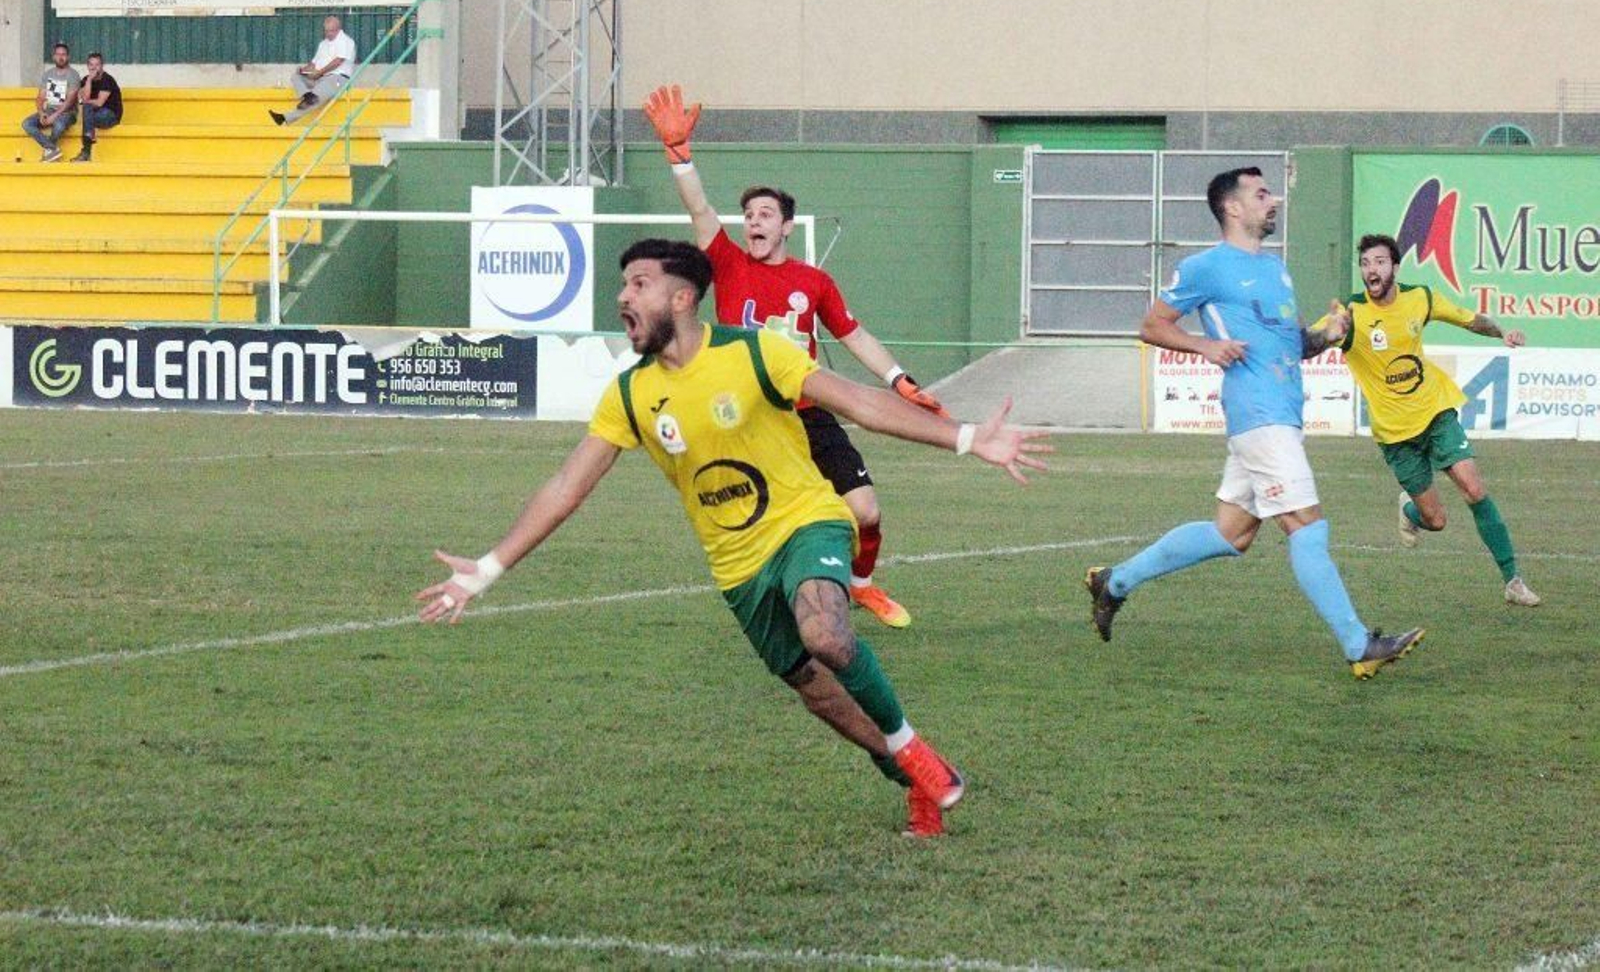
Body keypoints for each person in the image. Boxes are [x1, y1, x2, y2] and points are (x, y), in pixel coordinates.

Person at [416, 238, 1051, 837]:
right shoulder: (631, 393)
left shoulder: (755, 353)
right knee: (817, 695)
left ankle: (911, 749)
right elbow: (566, 486)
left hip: (805, 521)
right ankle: (907, 771)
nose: (624, 298)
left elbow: (858, 402)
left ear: (683, 298)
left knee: (826, 631)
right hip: (736, 567)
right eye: (623, 286)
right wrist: (488, 568)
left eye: (640, 284)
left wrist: (967, 437)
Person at [1083, 167, 1425, 681]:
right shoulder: (1206, 267)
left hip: (1279, 411)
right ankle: (1360, 646)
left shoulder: (1276, 270)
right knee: (1305, 523)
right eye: (1261, 193)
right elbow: (1151, 325)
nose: (1274, 200)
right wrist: (1205, 345)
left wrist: (1327, 334)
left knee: (1232, 533)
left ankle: (1115, 582)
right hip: (1258, 413)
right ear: (1233, 208)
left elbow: (1291, 345)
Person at [642, 83, 946, 630]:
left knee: (866, 511)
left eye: (764, 214)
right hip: (754, 418)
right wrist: (680, 157)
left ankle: (862, 586)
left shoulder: (814, 281)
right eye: (749, 215)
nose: (753, 222)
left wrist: (900, 380)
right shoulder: (729, 264)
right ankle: (784, 604)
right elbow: (699, 207)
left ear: (786, 225)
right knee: (772, 525)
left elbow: (854, 336)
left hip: (809, 411)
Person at [1336, 233, 1540, 606]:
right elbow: (1316, 338)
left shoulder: (1420, 298)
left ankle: (1513, 580)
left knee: (1474, 489)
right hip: (1396, 436)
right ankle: (1410, 510)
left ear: (1395, 267)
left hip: (1435, 412)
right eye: (1365, 263)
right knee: (1436, 521)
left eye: (1379, 262)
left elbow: (1469, 319)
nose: (1371, 270)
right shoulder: (1351, 314)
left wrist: (1500, 334)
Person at [270, 15, 355, 126]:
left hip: (337, 79)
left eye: (332, 31)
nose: (329, 34)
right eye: (326, 31)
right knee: (296, 77)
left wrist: (319, 73)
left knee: (316, 98)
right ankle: (307, 96)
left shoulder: (346, 41)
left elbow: (338, 61)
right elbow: (313, 64)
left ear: (338, 29)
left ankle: (285, 117)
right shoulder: (323, 44)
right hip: (320, 77)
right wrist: (304, 70)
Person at [21, 42, 80, 162]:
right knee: (26, 123)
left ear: (68, 57)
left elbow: (70, 100)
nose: (61, 57)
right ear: (54, 57)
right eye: (58, 54)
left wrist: (54, 116)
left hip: (67, 112)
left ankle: (49, 152)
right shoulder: (48, 74)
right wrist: (41, 112)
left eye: (63, 54)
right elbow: (40, 97)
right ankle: (52, 149)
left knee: (58, 126)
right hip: (49, 109)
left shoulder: (73, 75)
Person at [71, 52, 122, 163]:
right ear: (87, 66)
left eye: (97, 65)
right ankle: (89, 139)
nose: (94, 68)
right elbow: (84, 99)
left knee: (87, 108)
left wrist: (86, 102)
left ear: (102, 66)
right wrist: (89, 80)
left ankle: (85, 151)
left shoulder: (107, 80)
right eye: (91, 65)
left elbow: (99, 103)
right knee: (87, 108)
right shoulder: (85, 80)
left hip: (111, 115)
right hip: (93, 115)